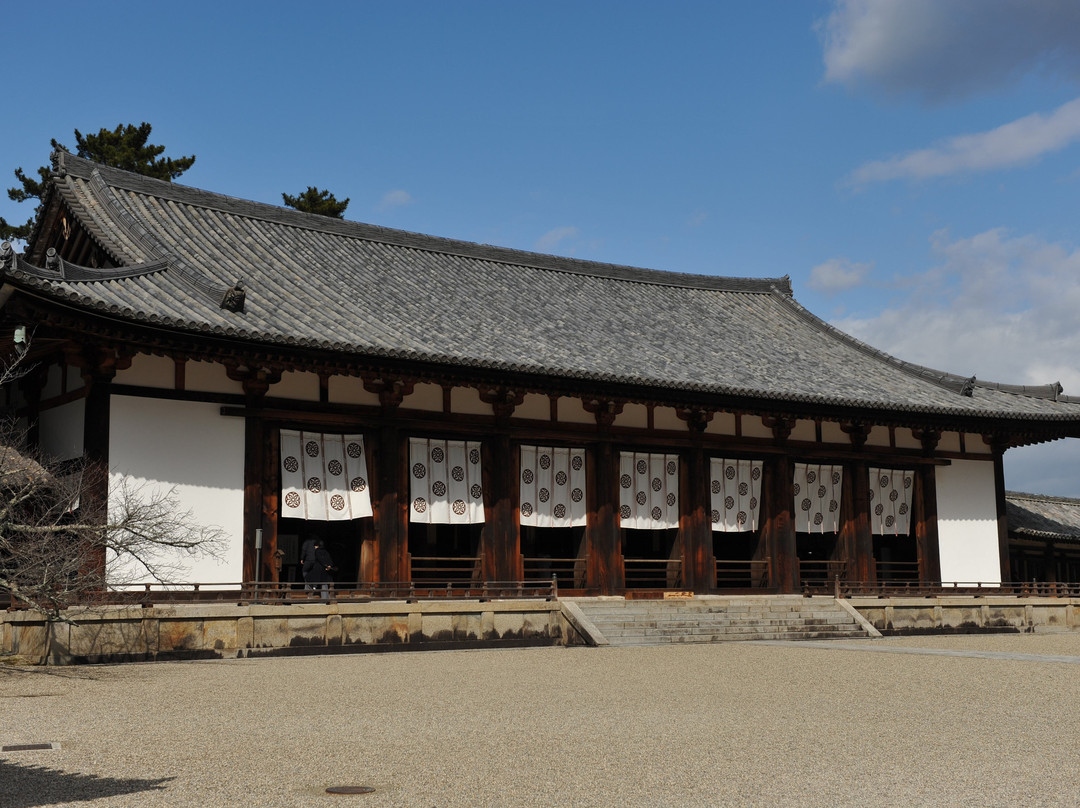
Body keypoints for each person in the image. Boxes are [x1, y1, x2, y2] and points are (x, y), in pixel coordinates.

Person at [301, 536, 335, 600]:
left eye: (315, 546)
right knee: (324, 584)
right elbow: (329, 559)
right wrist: (329, 566)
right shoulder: (326, 551)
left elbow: (320, 559)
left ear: (317, 546)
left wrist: (325, 565)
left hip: (318, 569)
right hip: (325, 570)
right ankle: (325, 599)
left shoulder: (317, 551)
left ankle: (309, 594)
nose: (314, 547)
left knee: (308, 578)